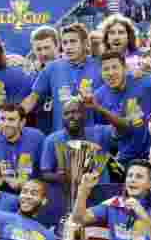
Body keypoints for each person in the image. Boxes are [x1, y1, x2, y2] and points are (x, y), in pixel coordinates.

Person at [37, 97, 117, 228]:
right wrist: (63, 177)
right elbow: (45, 173)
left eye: (75, 112)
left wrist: (98, 108)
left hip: (98, 197)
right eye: (66, 113)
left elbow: (124, 130)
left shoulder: (100, 133)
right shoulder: (52, 140)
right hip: (67, 198)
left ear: (84, 114)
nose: (71, 116)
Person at [92, 51, 151, 165]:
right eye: (105, 69)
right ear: (100, 72)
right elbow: (102, 130)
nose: (110, 73)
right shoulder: (98, 96)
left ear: (125, 68)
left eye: (115, 67)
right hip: (126, 159)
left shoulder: (148, 81)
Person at [21, 23, 103, 132]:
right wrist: (12, 117)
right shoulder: (52, 68)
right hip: (62, 136)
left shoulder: (100, 66)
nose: (68, 47)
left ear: (84, 43)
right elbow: (32, 99)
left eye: (73, 41)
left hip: (93, 135)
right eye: (65, 43)